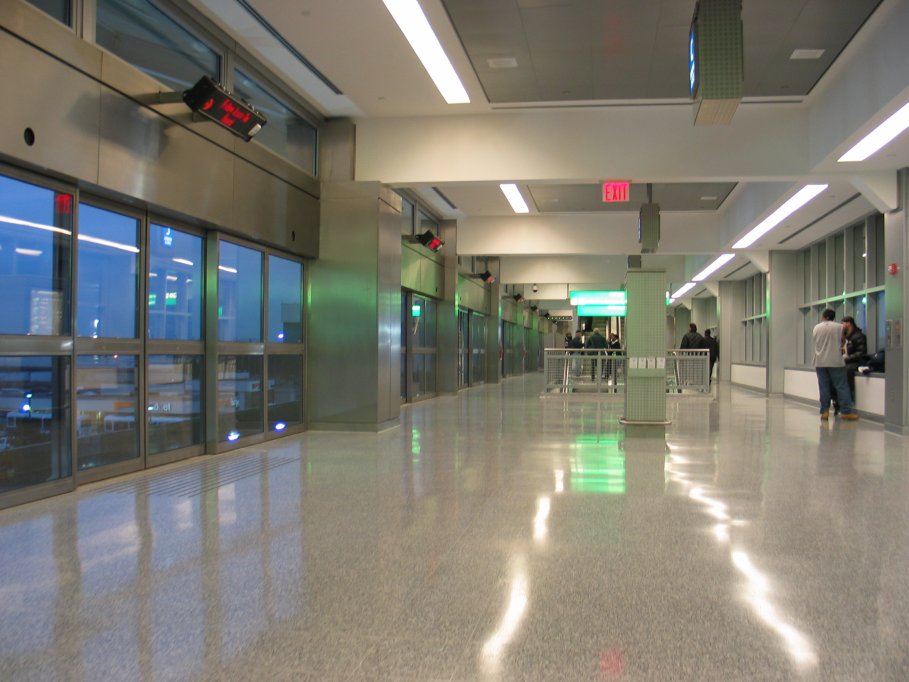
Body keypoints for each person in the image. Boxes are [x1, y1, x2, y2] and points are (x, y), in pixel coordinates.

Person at [813, 309, 857, 421]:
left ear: (824, 316)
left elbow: (816, 341)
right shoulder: (839, 327)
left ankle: (825, 411)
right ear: (833, 317)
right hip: (836, 362)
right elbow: (842, 342)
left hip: (820, 361)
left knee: (824, 387)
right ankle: (846, 412)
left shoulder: (816, 327)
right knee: (841, 386)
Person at [841, 315, 868, 406]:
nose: (842, 325)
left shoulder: (859, 336)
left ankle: (849, 398)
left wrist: (846, 358)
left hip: (855, 362)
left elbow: (861, 352)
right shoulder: (844, 337)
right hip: (845, 361)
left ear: (849, 323)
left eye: (843, 323)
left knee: (847, 371)